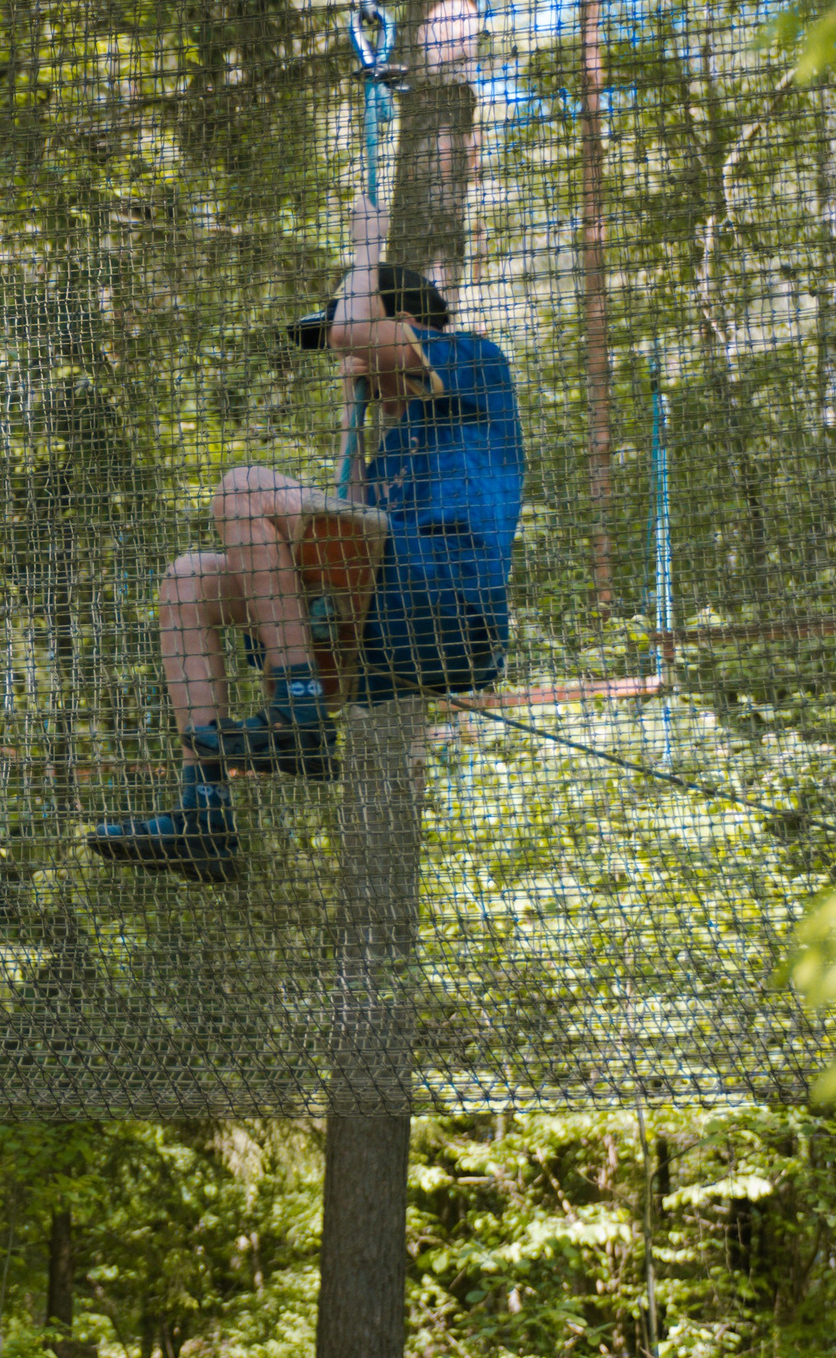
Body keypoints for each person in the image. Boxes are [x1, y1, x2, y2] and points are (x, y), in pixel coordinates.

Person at [89, 201, 525, 883]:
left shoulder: (474, 360)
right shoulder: (394, 449)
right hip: (383, 625)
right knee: (188, 581)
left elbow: (359, 326)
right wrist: (353, 432)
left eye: (352, 347)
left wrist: (365, 249)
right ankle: (204, 807)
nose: (347, 356)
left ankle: (296, 706)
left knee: (241, 489)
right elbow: (344, 532)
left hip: (448, 595)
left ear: (404, 325)